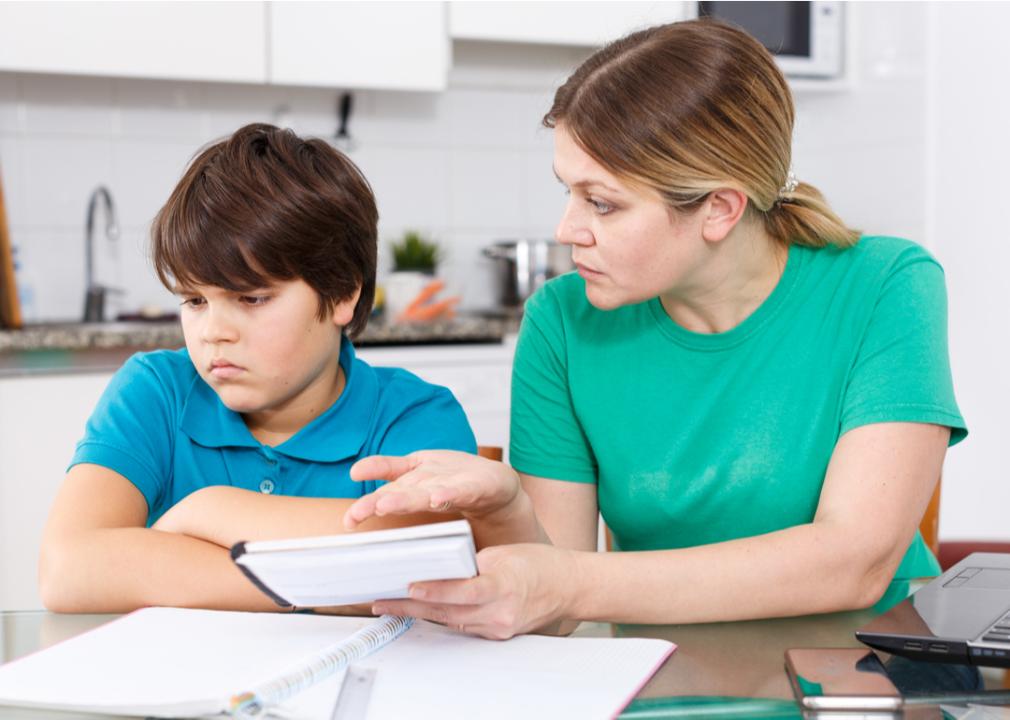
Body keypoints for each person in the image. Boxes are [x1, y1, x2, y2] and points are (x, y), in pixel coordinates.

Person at [341, 19, 967, 640]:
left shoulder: (886, 284)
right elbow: (553, 610)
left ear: (719, 209)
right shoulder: (562, 320)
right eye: (568, 192)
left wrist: (573, 582)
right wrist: (508, 507)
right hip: (657, 676)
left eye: (602, 203)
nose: (567, 229)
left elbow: (853, 564)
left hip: (863, 671)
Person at [39, 124, 476, 613]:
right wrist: (333, 581)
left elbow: (426, 560)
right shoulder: (156, 391)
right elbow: (67, 569)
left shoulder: (413, 415)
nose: (212, 331)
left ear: (344, 293)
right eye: (194, 299)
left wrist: (208, 512)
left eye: (251, 297)